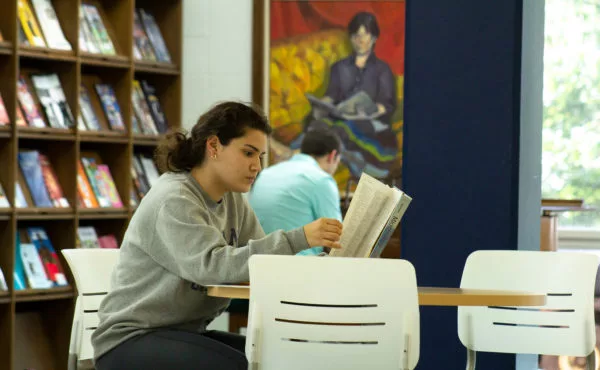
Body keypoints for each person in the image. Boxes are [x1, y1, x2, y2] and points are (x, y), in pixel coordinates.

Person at [92, 101, 343, 370]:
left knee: (277, 359)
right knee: (243, 366)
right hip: (130, 340)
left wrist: (317, 269)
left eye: (260, 156)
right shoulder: (174, 198)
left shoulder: (233, 198)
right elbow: (213, 267)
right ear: (213, 147)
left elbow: (260, 265)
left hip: (182, 333)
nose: (256, 166)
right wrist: (299, 238)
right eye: (248, 153)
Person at [296, 11, 398, 179]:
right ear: (350, 38)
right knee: (317, 122)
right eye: (356, 35)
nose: (360, 41)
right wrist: (322, 105)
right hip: (342, 117)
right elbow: (331, 95)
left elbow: (387, 105)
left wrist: (368, 112)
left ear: (374, 38)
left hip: (373, 124)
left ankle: (295, 152)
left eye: (365, 35)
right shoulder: (339, 67)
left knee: (342, 128)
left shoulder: (382, 70)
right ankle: (297, 154)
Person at [249, 128, 343, 256]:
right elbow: (338, 239)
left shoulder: (266, 174)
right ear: (332, 156)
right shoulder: (321, 179)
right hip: (299, 268)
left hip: (257, 264)